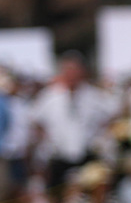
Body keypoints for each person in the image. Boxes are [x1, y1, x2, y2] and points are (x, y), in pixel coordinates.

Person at [31, 52, 117, 191]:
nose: (71, 75)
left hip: (87, 155)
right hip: (59, 157)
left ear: (82, 72)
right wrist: (47, 141)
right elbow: (36, 120)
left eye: (74, 70)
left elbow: (111, 116)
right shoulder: (50, 95)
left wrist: (101, 139)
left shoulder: (94, 95)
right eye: (67, 70)